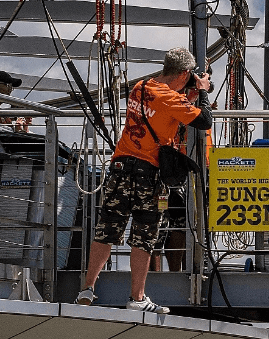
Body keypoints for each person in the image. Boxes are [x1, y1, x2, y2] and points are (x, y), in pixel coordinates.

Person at [76, 47, 212, 313]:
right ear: (184, 73)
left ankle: (87, 288)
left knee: (107, 229)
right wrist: (203, 90)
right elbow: (204, 120)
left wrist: (188, 94)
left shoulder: (140, 87)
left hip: (120, 166)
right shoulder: (172, 99)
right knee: (144, 234)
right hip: (148, 173)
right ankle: (137, 298)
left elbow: (161, 110)